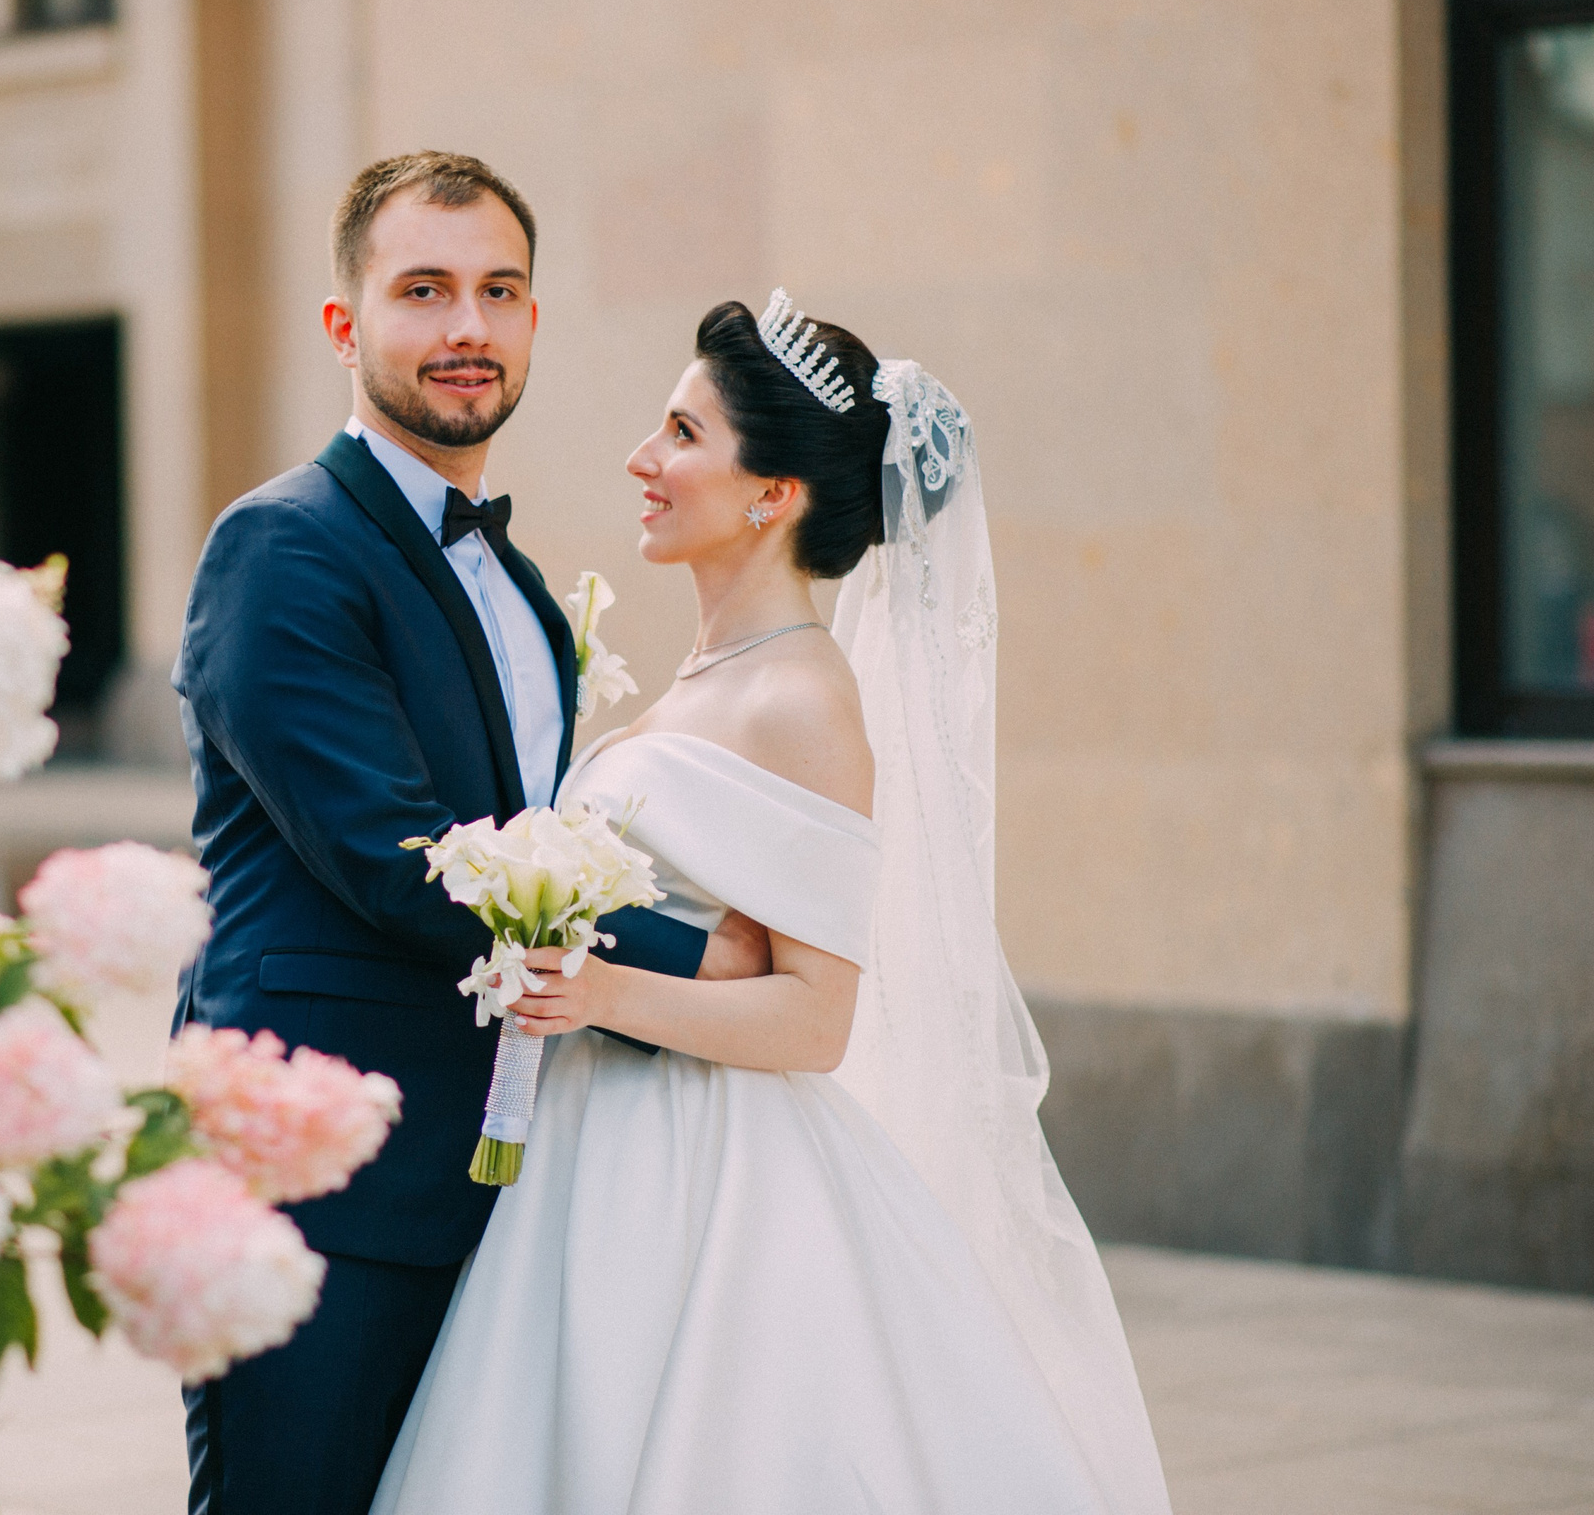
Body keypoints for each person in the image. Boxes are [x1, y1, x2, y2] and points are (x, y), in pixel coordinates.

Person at [368, 293, 1175, 1513]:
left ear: (772, 491)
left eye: (682, 434)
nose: (643, 460)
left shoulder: (802, 700)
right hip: (596, 1144)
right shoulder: (711, 672)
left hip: (703, 1176)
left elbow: (814, 1020)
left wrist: (593, 988)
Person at [170, 153, 762, 1515]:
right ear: (346, 325)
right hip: (316, 1178)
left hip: (496, 1172)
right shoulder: (281, 549)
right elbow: (401, 861)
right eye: (423, 291)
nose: (466, 330)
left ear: (536, 323)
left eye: (499, 292)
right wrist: (703, 966)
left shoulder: (526, 590)